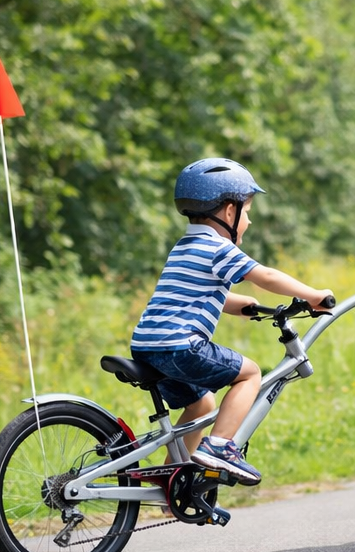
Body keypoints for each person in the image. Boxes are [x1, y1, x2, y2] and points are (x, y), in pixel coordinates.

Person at [131, 158, 333, 486]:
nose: (248, 221)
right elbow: (265, 276)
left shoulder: (184, 247)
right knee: (250, 374)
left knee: (201, 404)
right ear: (229, 212)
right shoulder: (218, 247)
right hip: (181, 346)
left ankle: (171, 478)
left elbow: (208, 296)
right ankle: (220, 446)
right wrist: (313, 295)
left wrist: (248, 307)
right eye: (247, 211)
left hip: (148, 345)